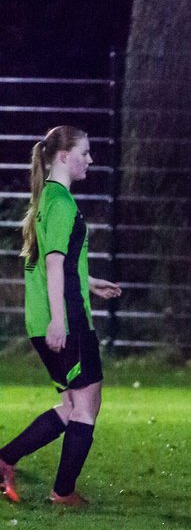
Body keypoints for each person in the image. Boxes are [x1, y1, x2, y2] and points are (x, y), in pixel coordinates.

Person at [0, 126, 122, 508]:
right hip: (67, 322)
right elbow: (53, 266)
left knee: (72, 407)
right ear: (64, 156)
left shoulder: (47, 200)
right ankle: (63, 492)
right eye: (85, 152)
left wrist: (91, 282)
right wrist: (60, 321)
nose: (90, 159)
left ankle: (4, 459)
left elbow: (61, 267)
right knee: (86, 405)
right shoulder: (62, 204)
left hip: (47, 319)